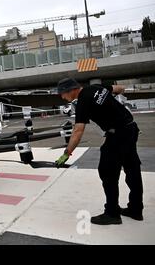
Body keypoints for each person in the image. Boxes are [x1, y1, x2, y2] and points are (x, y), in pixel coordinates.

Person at [55, 78, 143, 225]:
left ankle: (112, 213)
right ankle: (135, 209)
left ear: (71, 90)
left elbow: (78, 130)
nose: (63, 97)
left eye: (63, 94)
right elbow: (119, 88)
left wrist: (67, 153)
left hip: (118, 134)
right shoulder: (96, 87)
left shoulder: (83, 101)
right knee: (132, 169)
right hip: (130, 128)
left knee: (107, 172)